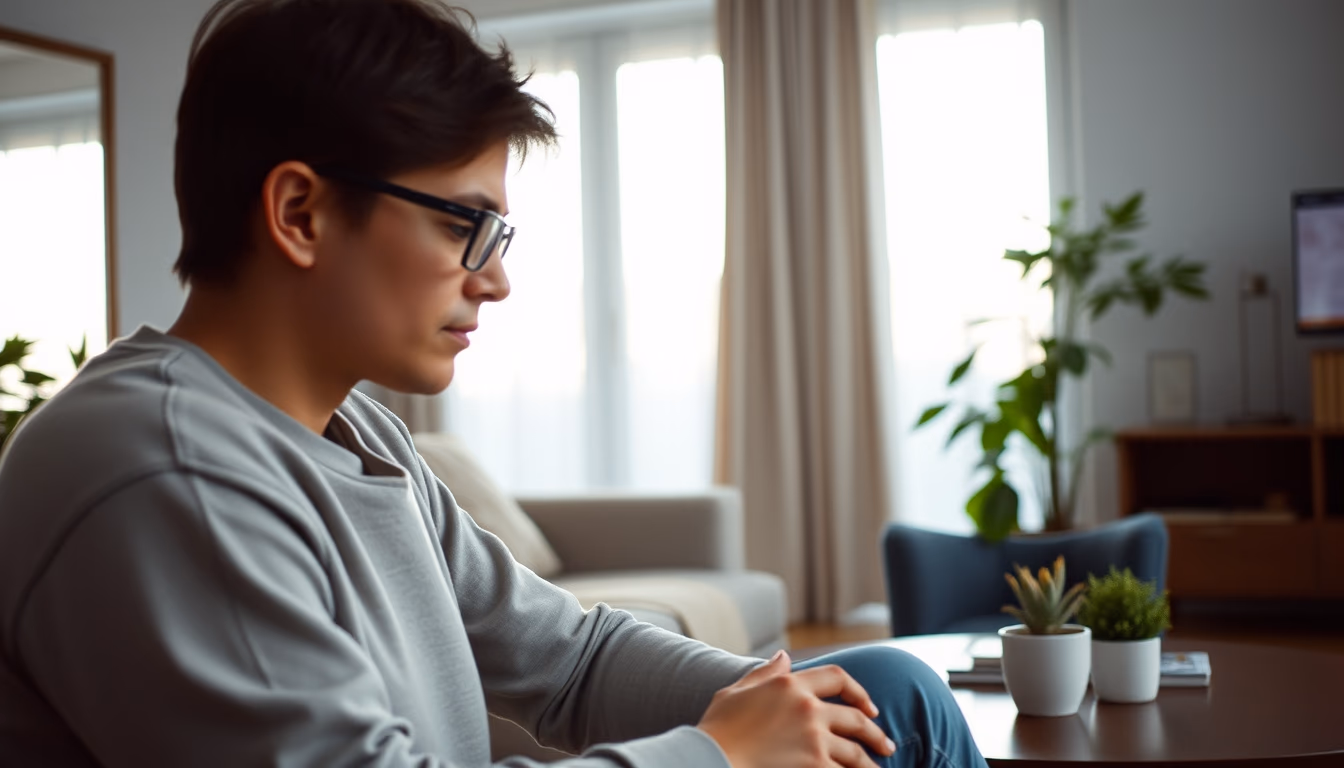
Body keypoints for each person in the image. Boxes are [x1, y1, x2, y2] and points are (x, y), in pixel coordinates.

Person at [0, 1, 988, 766]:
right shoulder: (164, 470)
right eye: (462, 225)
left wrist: (776, 705)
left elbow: (570, 660)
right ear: (300, 213)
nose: (496, 278)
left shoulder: (361, 433)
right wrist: (719, 753)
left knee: (887, 687)